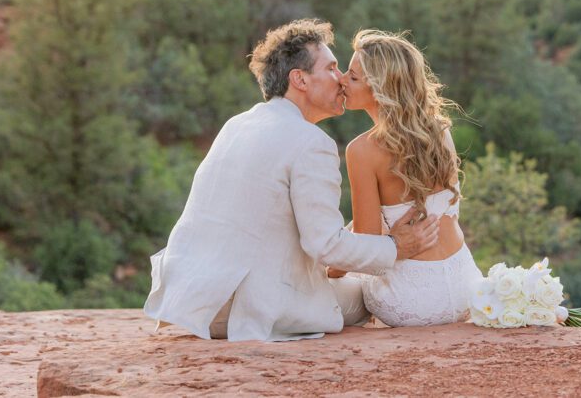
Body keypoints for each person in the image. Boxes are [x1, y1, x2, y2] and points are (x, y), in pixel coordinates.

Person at [144, 19, 439, 341]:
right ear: (299, 79)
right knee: (367, 294)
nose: (340, 79)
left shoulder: (238, 124)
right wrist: (395, 246)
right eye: (331, 68)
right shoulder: (311, 142)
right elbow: (325, 246)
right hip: (245, 307)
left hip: (192, 301)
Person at [332, 29, 482, 327]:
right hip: (466, 287)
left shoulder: (361, 150)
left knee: (340, 284)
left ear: (379, 88)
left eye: (353, 76)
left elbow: (366, 247)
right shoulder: (440, 131)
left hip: (410, 303)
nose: (341, 80)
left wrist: (330, 270)